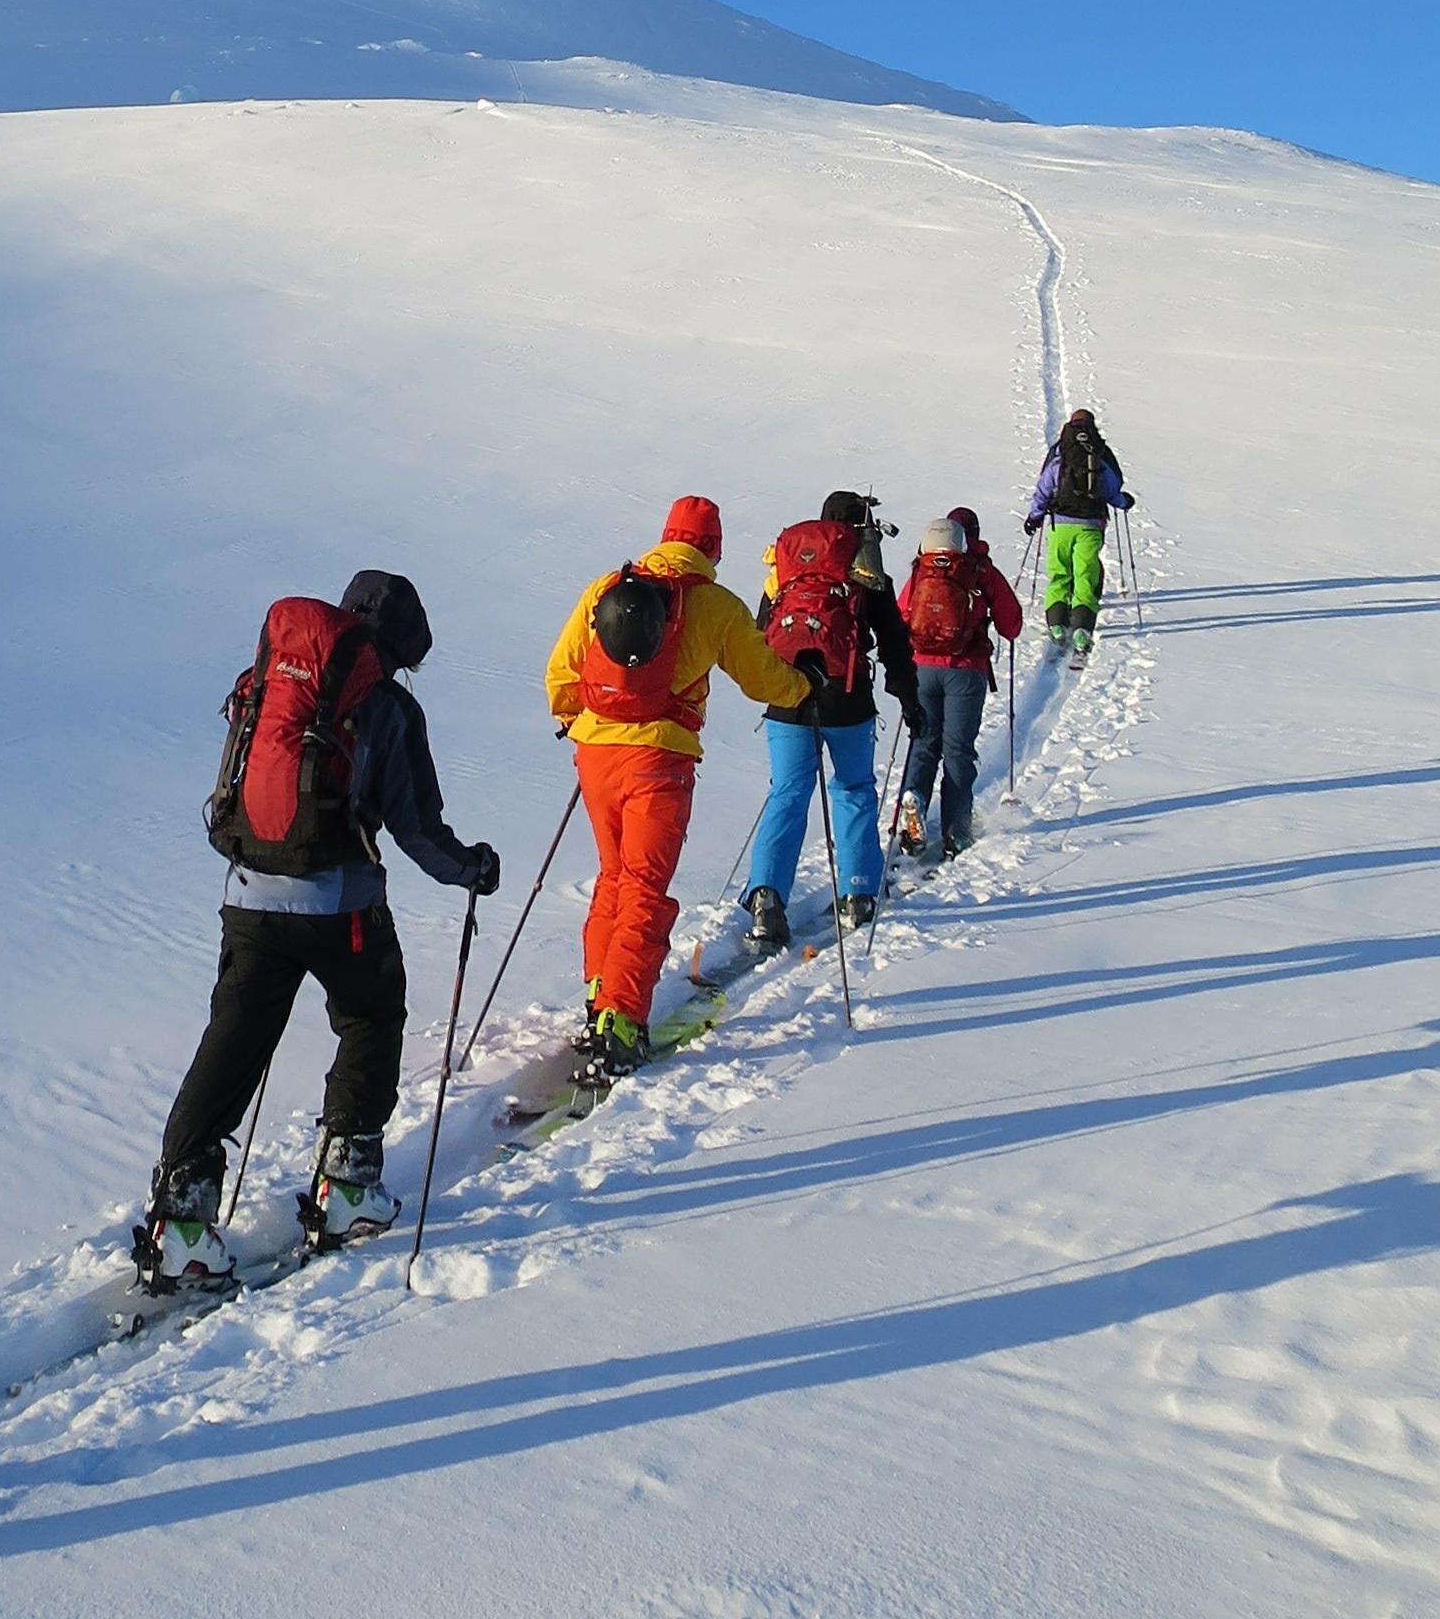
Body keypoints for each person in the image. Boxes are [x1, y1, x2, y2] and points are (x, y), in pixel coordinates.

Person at [143, 569, 496, 1292]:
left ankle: (180, 1224)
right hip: (341, 908)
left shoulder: (271, 682)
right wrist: (472, 870)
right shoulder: (387, 706)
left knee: (234, 1043)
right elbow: (417, 830)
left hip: (248, 897)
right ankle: (348, 1188)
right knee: (371, 1017)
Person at [545, 498, 812, 1086]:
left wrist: (576, 721)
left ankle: (600, 993)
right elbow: (762, 678)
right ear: (713, 548)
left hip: (595, 753)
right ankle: (621, 1021)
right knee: (644, 886)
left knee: (614, 875)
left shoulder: (606, 589)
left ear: (665, 536)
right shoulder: (715, 605)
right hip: (660, 757)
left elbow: (561, 672)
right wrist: (802, 687)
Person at [743, 492, 919, 949]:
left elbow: (761, 633)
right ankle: (858, 892)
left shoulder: (785, 571)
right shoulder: (867, 571)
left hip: (786, 697)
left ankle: (766, 899)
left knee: (787, 792)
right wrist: (909, 699)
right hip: (847, 698)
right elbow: (894, 643)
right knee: (853, 789)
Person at [897, 509, 1023, 859]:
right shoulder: (980, 570)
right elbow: (1012, 624)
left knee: (924, 743)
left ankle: (914, 799)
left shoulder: (923, 569)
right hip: (966, 672)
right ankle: (956, 833)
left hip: (922, 668)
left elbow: (902, 614)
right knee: (958, 751)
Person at [1026, 409, 1134, 656]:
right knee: (1085, 575)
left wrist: (1034, 516)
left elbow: (1044, 488)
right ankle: (1082, 630)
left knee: (1059, 573)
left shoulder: (1060, 453)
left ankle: (1056, 626)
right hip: (1090, 525)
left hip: (1060, 526)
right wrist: (1124, 502)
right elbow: (1113, 490)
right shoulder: (1099, 453)